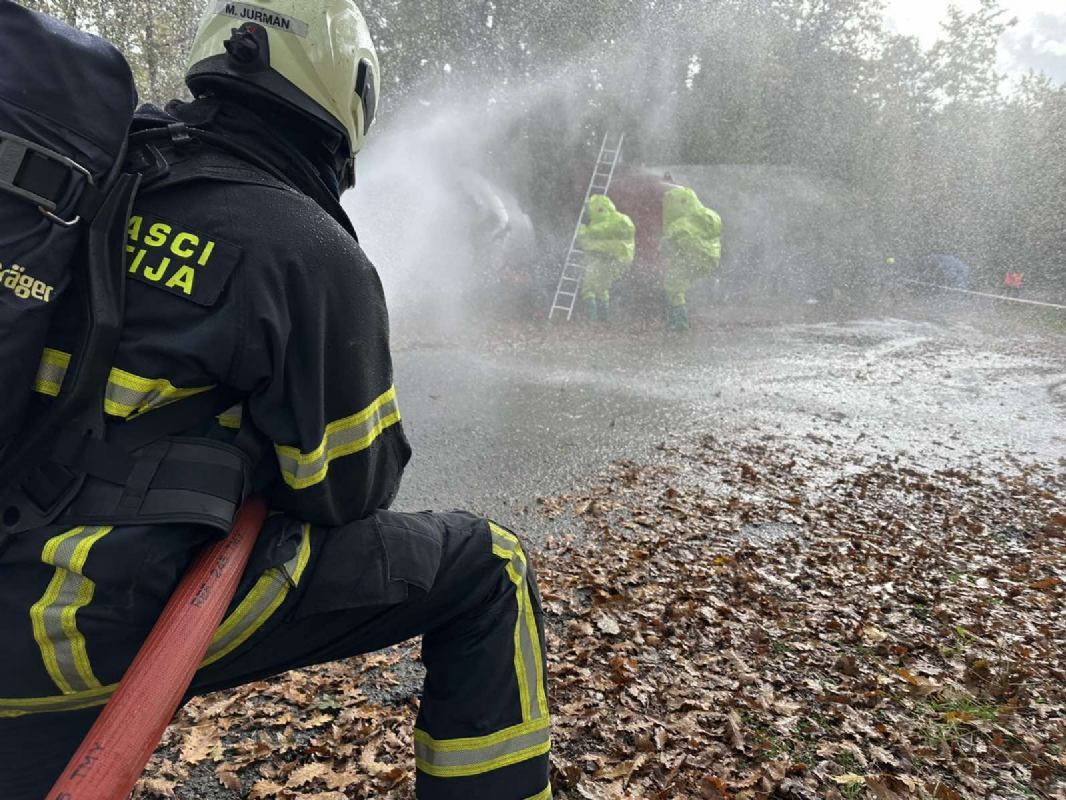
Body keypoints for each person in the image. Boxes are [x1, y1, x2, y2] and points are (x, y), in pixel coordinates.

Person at [0, 3, 551, 799]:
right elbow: (348, 487)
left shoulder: (80, 180)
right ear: (347, 92)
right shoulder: (307, 247)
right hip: (69, 627)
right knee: (490, 563)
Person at [659, 185, 721, 331]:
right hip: (709, 260)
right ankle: (678, 319)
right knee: (678, 285)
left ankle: (680, 320)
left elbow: (667, 247)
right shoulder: (708, 216)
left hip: (689, 260)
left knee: (673, 287)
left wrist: (663, 248)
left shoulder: (678, 225)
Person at [576, 194, 635, 322]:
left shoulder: (601, 226)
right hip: (615, 260)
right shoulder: (620, 219)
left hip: (608, 259)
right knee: (602, 288)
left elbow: (591, 242)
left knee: (589, 288)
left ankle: (593, 318)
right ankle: (603, 318)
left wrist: (583, 232)